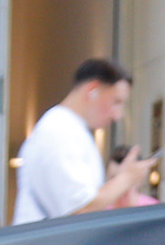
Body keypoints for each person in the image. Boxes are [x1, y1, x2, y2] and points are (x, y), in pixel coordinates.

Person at [12, 59, 156, 223]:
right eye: (116, 102)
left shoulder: (66, 129)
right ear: (92, 90)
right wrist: (126, 179)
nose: (118, 115)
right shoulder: (60, 131)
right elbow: (80, 209)